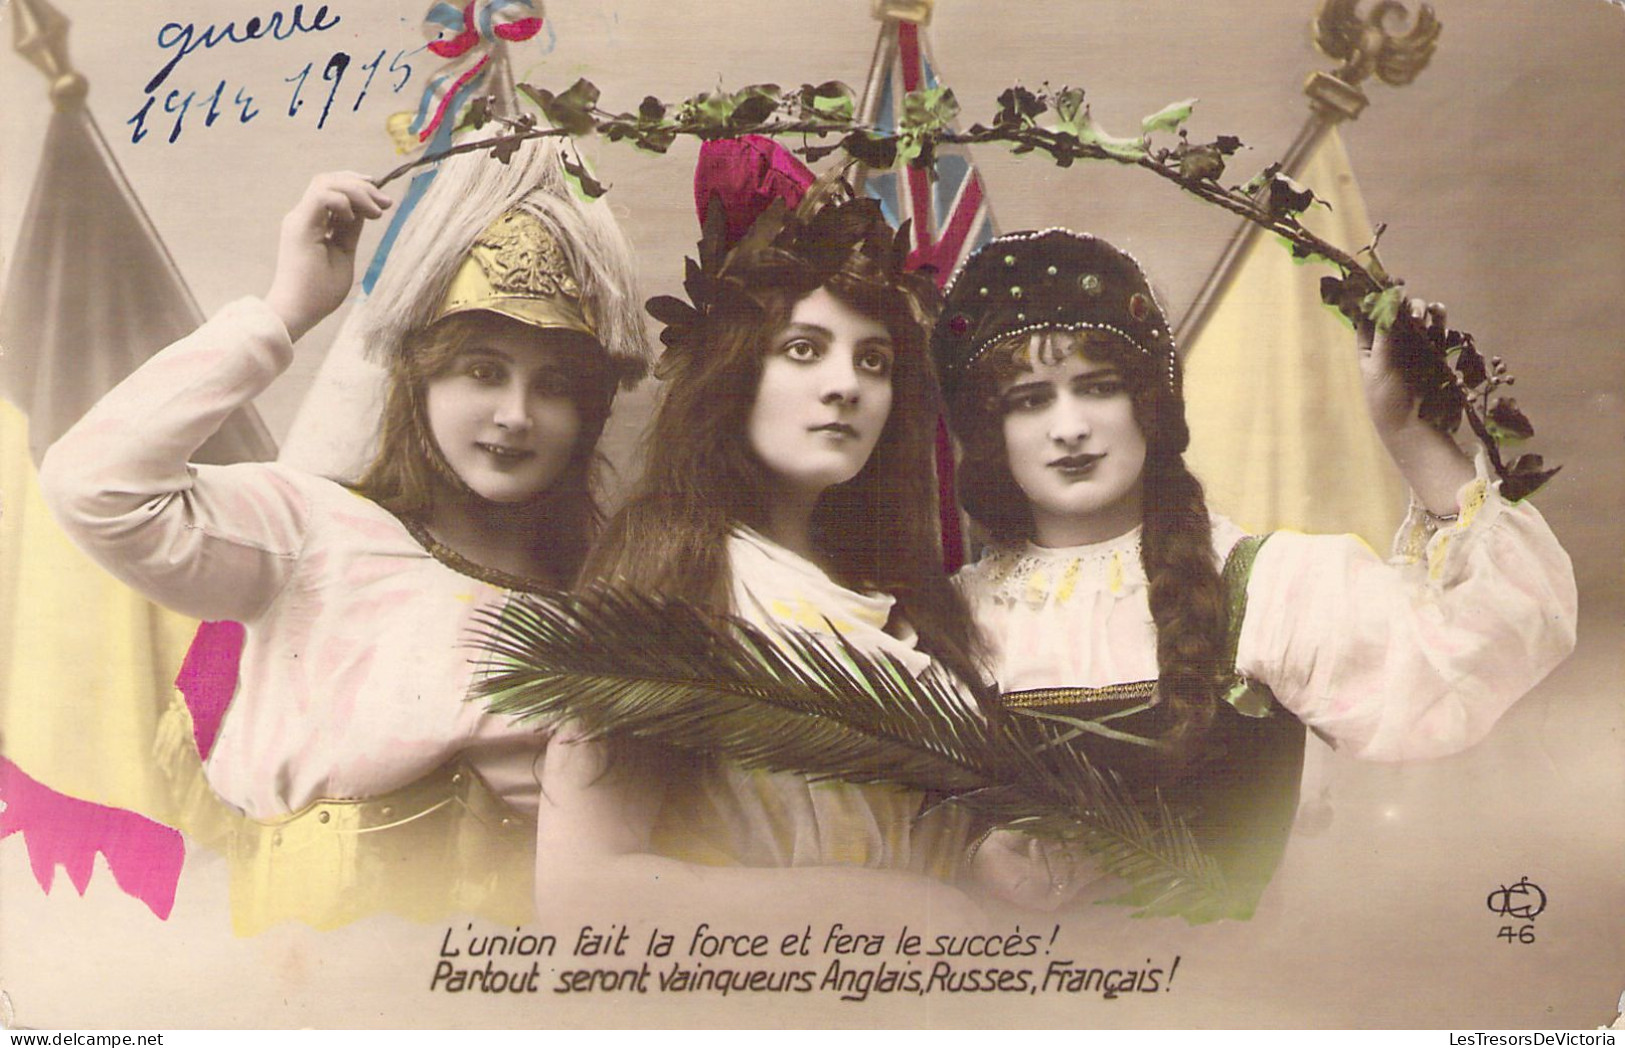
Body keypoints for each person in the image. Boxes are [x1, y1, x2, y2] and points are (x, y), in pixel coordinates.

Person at [39, 139, 649, 933]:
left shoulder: (607, 616)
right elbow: (93, 484)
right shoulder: (310, 530)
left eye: (556, 386)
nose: (515, 415)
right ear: (418, 378)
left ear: (591, 414)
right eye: (482, 370)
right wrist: (286, 310)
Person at [931, 229, 1579, 916]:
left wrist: (1410, 433)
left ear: (1147, 404)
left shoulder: (1268, 586)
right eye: (1029, 400)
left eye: (1098, 388)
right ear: (987, 429)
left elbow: (1487, 639)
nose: (1069, 427)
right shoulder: (942, 623)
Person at [529, 138, 995, 926]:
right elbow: (583, 897)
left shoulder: (911, 603)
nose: (845, 385)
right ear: (735, 372)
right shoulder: (672, 576)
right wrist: (900, 911)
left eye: (874, 361)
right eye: (803, 351)